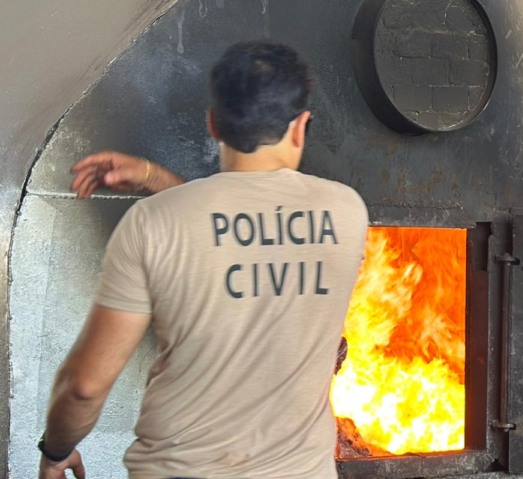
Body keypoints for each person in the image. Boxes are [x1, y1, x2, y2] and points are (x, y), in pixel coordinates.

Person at [38, 41, 369, 479]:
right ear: (300, 127)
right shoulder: (347, 212)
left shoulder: (152, 224)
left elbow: (85, 386)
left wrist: (55, 451)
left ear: (213, 124)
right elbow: (239, 229)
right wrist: (154, 177)